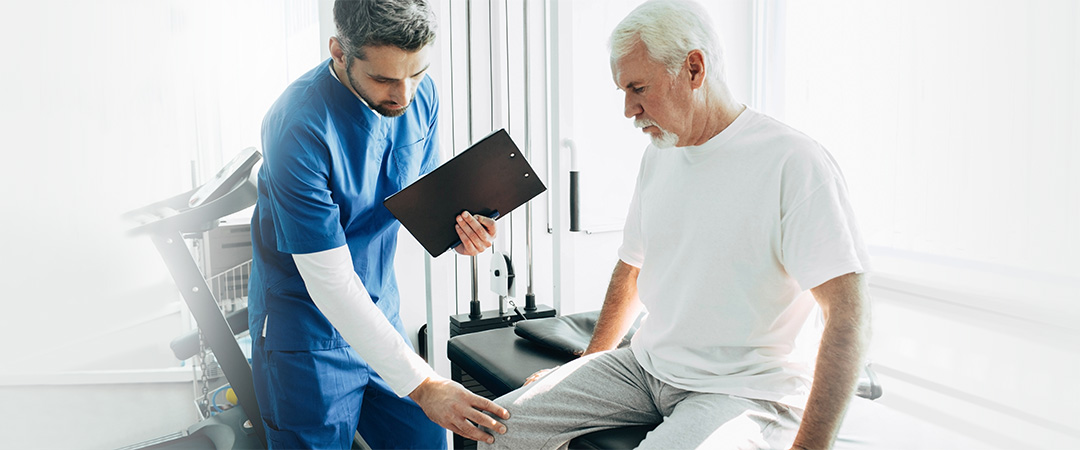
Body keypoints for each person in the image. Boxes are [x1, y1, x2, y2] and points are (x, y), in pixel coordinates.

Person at [481, 1, 871, 449]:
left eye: (639, 87)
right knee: (497, 427)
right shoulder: (659, 154)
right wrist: (583, 368)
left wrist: (809, 446)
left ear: (694, 68)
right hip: (645, 367)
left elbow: (848, 313)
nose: (629, 109)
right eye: (623, 91)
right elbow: (631, 269)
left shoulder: (793, 162)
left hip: (743, 390)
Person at [247, 1, 509, 448]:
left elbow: (422, 194)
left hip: (378, 311)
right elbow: (329, 284)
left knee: (426, 440)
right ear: (338, 52)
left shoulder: (419, 96)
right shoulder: (299, 126)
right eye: (384, 79)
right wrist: (425, 386)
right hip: (307, 332)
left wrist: (459, 234)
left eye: (417, 74)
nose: (403, 96)